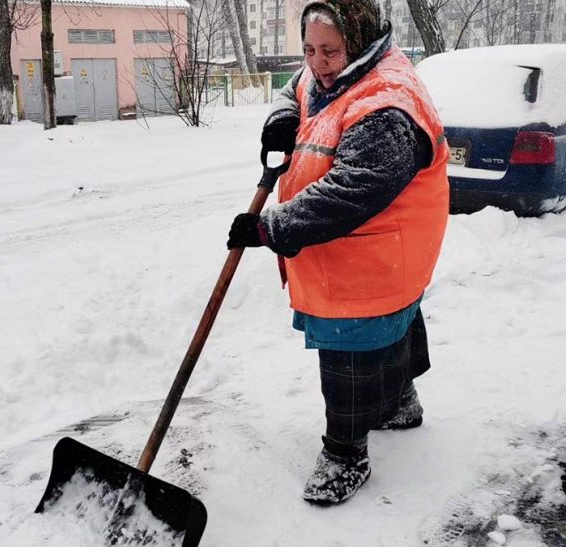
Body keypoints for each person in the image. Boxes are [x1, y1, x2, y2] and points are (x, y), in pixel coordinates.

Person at [226, 0, 449, 504]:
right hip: (364, 250)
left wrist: (269, 228)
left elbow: (353, 190)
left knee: (350, 345)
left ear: (360, 40)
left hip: (376, 246)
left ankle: (346, 455)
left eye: (329, 50)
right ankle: (398, 403)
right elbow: (294, 88)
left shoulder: (389, 103)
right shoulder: (331, 73)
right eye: (308, 49)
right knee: (389, 325)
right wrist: (283, 116)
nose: (317, 61)